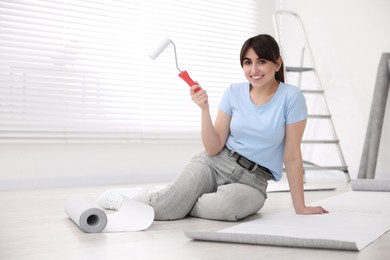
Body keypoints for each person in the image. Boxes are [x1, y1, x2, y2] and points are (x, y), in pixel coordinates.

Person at [98, 34, 328, 221]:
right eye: (247, 62)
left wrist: (301, 207)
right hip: (216, 163)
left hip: (254, 181)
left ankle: (175, 199)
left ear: (277, 63)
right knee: (162, 211)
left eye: (262, 61)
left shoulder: (291, 97)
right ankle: (137, 199)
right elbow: (213, 147)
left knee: (228, 207)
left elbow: (293, 156)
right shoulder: (233, 92)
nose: (254, 70)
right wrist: (204, 109)